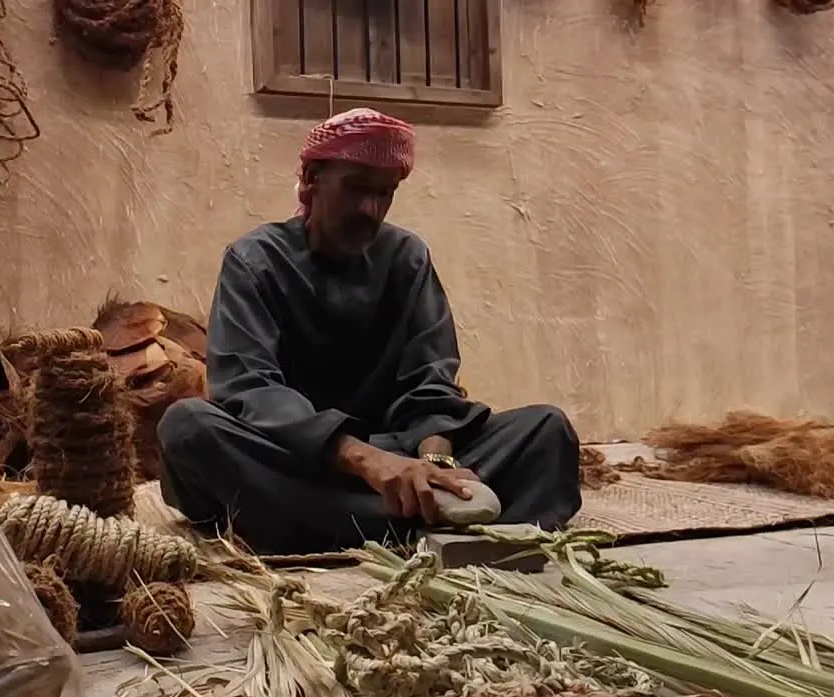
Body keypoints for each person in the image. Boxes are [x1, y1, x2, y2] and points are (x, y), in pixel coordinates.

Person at [157, 108, 582, 554]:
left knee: (545, 431)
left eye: (385, 193)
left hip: (398, 455)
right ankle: (423, 530)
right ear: (311, 179)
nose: (371, 209)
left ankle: (342, 525)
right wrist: (368, 462)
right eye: (356, 188)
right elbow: (250, 388)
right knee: (188, 429)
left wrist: (435, 465)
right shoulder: (254, 260)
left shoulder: (407, 257)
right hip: (306, 459)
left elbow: (430, 382)